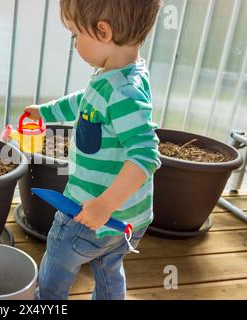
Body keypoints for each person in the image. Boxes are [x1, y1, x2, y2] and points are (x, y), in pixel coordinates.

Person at [24, 0, 163, 300]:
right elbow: (83, 103)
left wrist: (104, 205)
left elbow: (145, 155)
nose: (74, 44)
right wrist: (45, 112)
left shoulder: (121, 93)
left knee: (57, 264)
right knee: (108, 267)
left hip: (89, 215)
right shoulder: (123, 75)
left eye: (75, 35)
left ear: (103, 31)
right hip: (130, 221)